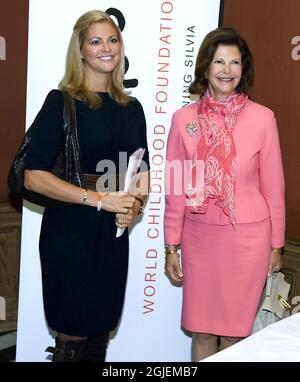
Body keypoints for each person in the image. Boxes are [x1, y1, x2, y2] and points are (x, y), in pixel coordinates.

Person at [24, 10, 149, 362]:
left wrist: (134, 205)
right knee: (74, 328)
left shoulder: (132, 107)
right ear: (80, 51)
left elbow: (142, 170)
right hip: (71, 231)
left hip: (112, 234)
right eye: (95, 41)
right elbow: (32, 175)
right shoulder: (61, 102)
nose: (106, 48)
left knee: (100, 329)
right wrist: (98, 200)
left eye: (112, 40)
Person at [164, 27, 285, 361]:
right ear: (205, 67)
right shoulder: (183, 121)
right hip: (199, 238)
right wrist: (171, 246)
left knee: (234, 334)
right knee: (201, 329)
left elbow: (274, 188)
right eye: (219, 61)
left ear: (243, 69)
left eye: (235, 62)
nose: (227, 70)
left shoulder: (263, 119)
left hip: (248, 241)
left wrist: (277, 245)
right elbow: (175, 189)